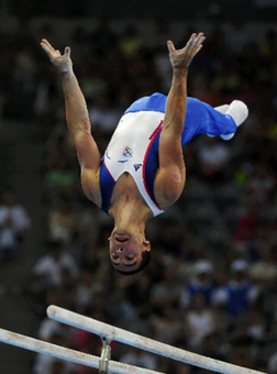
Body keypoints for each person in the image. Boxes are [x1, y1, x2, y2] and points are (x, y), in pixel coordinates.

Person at [40, 33, 248, 275]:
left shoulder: (95, 189)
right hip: (176, 115)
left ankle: (216, 121)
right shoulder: (164, 192)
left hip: (136, 108)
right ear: (145, 244)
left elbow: (80, 131)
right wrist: (180, 70)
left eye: (115, 257)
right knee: (228, 122)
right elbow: (171, 129)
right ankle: (225, 123)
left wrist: (66, 73)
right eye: (129, 257)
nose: (120, 253)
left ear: (108, 243)